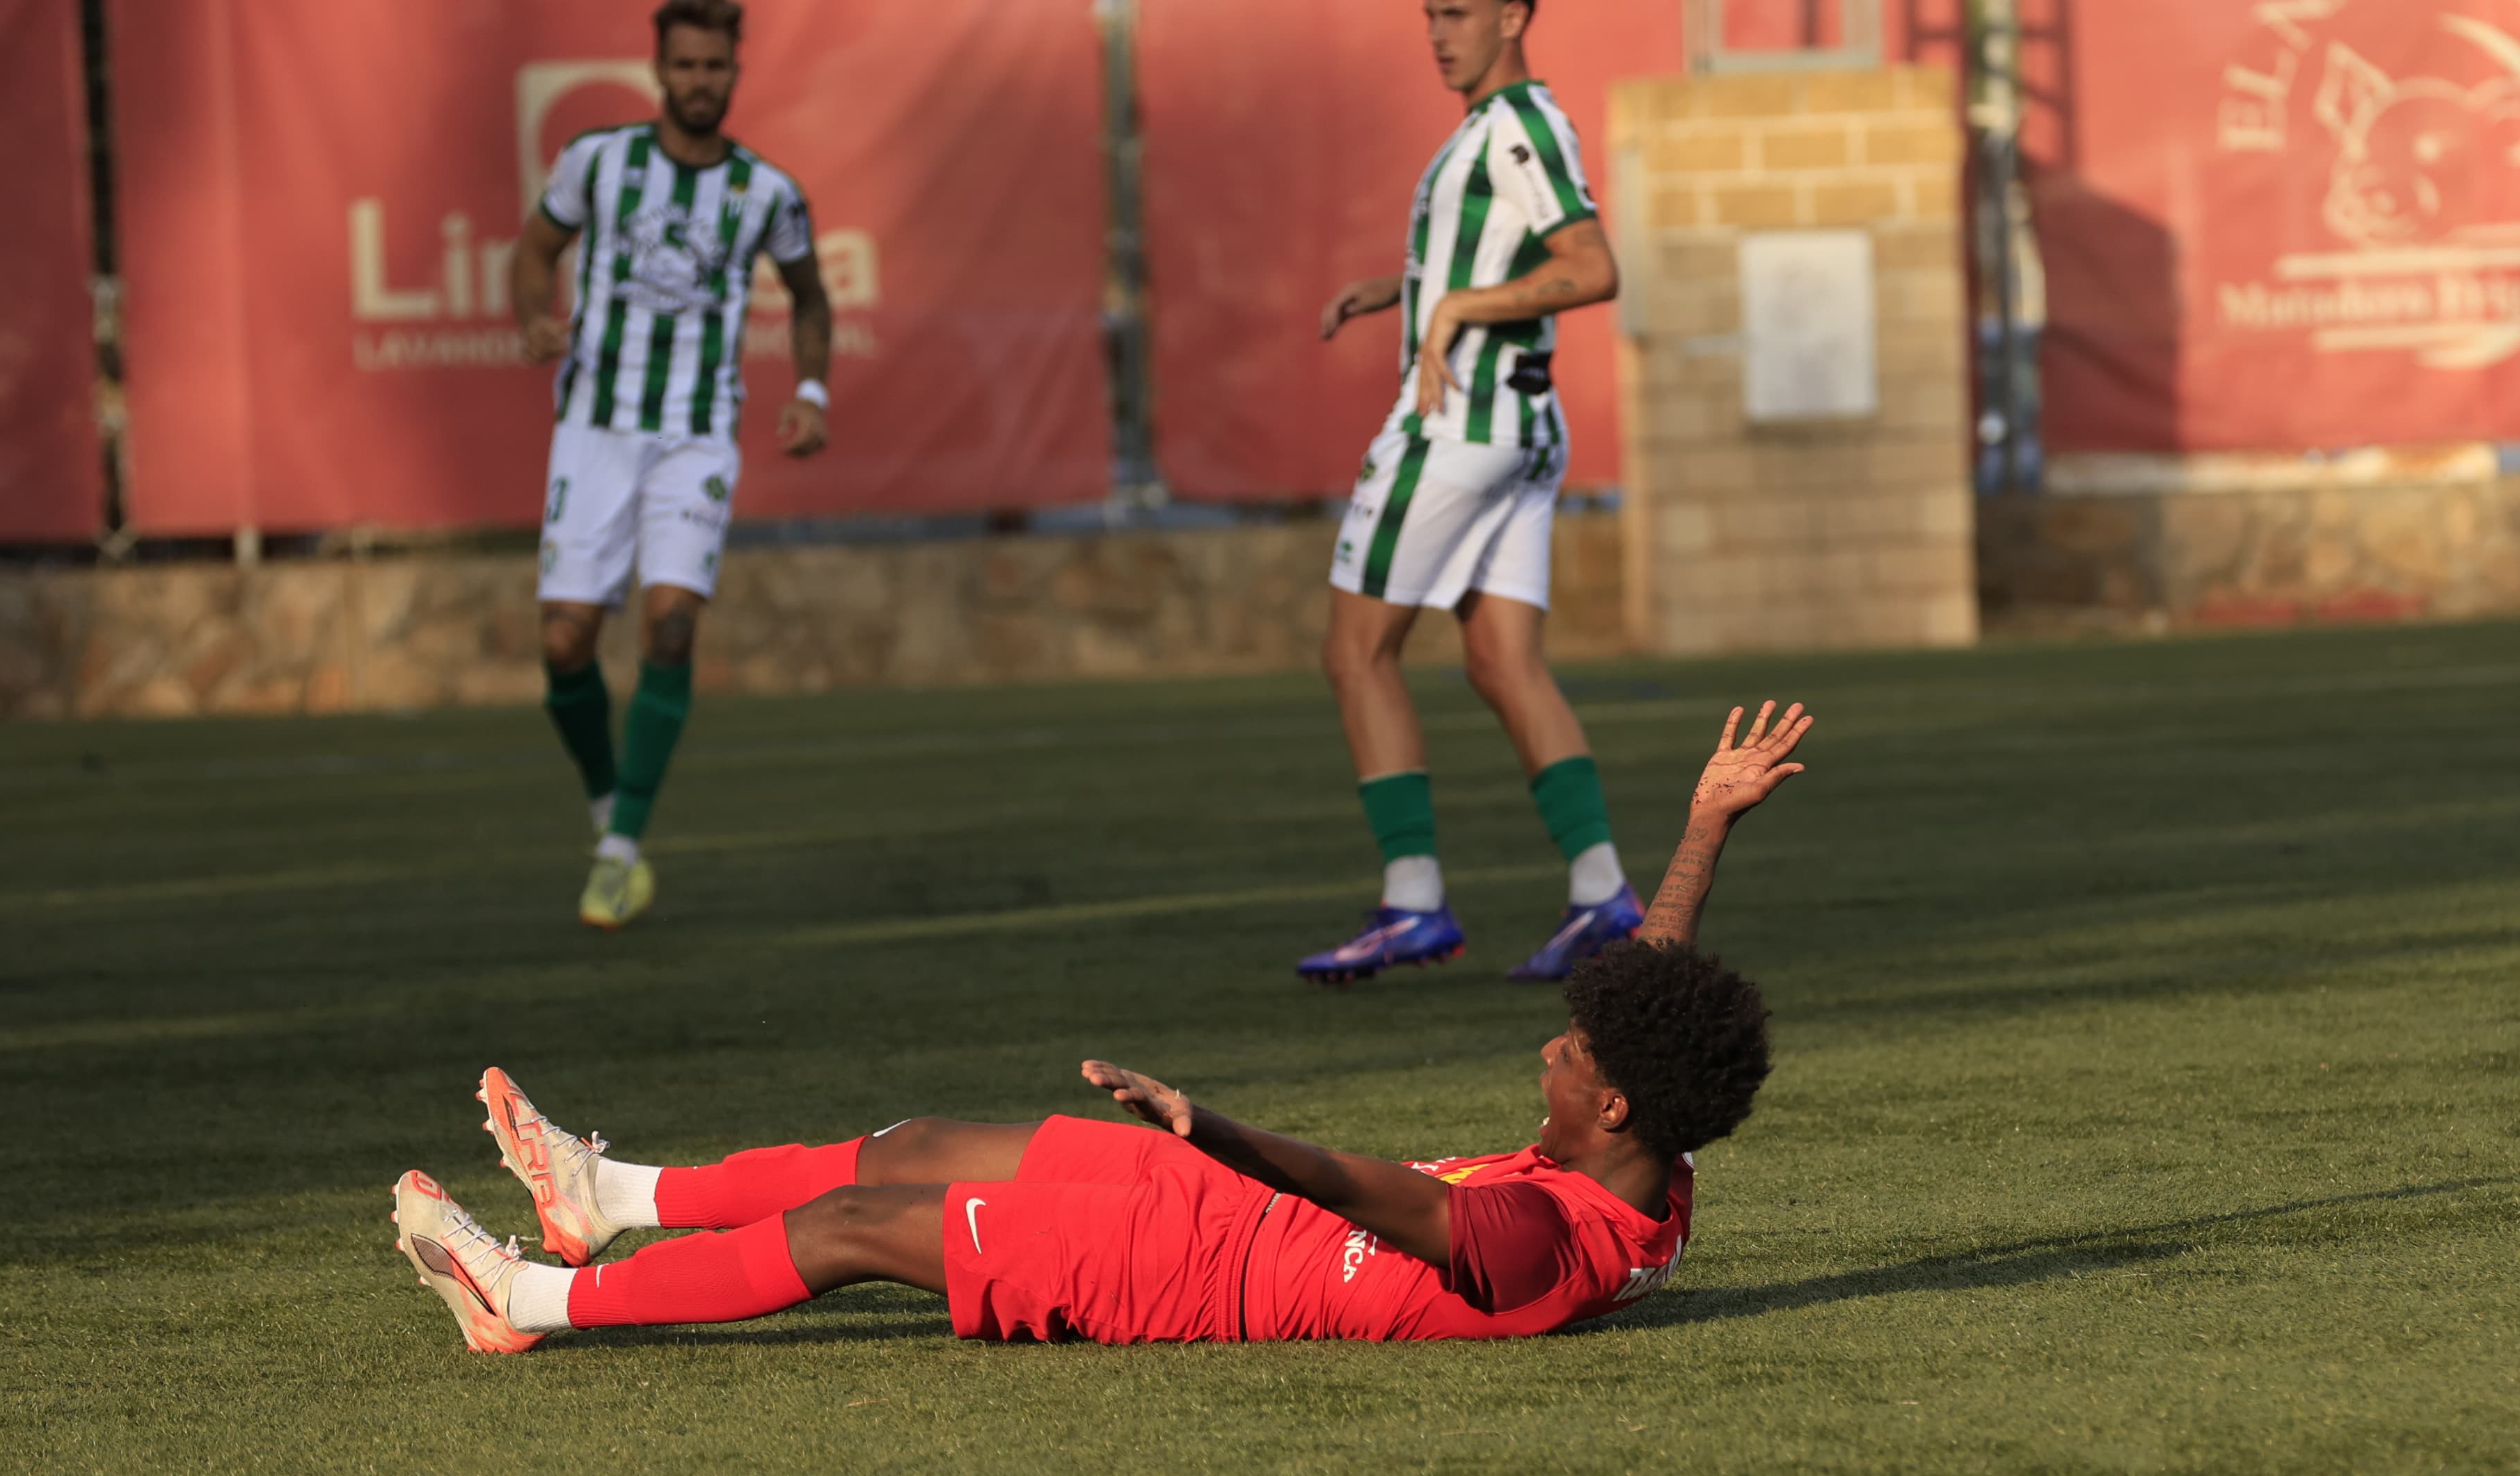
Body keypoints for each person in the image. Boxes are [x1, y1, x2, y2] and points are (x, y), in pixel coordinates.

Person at [390, 704, 1814, 1351]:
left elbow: (1351, 1184)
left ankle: (526, 1304)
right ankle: (609, 1197)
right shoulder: (1652, 1165)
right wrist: (1700, 827)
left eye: (1575, 1053)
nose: (1555, 1048)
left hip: (1186, 1274)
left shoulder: (1533, 1242)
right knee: (911, 1144)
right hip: (1212, 1201)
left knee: (851, 1231)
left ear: (1617, 1105)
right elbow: (1658, 991)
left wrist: (1216, 1128)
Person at [1297, 0, 1631, 985]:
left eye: (1459, 13)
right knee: (1501, 659)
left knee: (1357, 652)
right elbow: (1495, 258)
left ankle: (1412, 905)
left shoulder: (1519, 124)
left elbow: (1591, 267)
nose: (1439, 33)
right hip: (1524, 433)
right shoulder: (1496, 127)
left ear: (1516, 15)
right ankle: (1604, 893)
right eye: (1430, 14)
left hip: (1457, 430)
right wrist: (1398, 290)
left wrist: (1453, 307)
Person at [509, 0, 832, 932]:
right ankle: (611, 805)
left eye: (715, 68)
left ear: (735, 74)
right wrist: (534, 314)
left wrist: (812, 392)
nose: (700, 82)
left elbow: (811, 297)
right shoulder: (597, 160)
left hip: (697, 436)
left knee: (672, 623)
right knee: (565, 643)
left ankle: (619, 854)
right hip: (594, 430)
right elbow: (535, 252)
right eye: (685, 66)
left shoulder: (767, 191)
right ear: (659, 68)